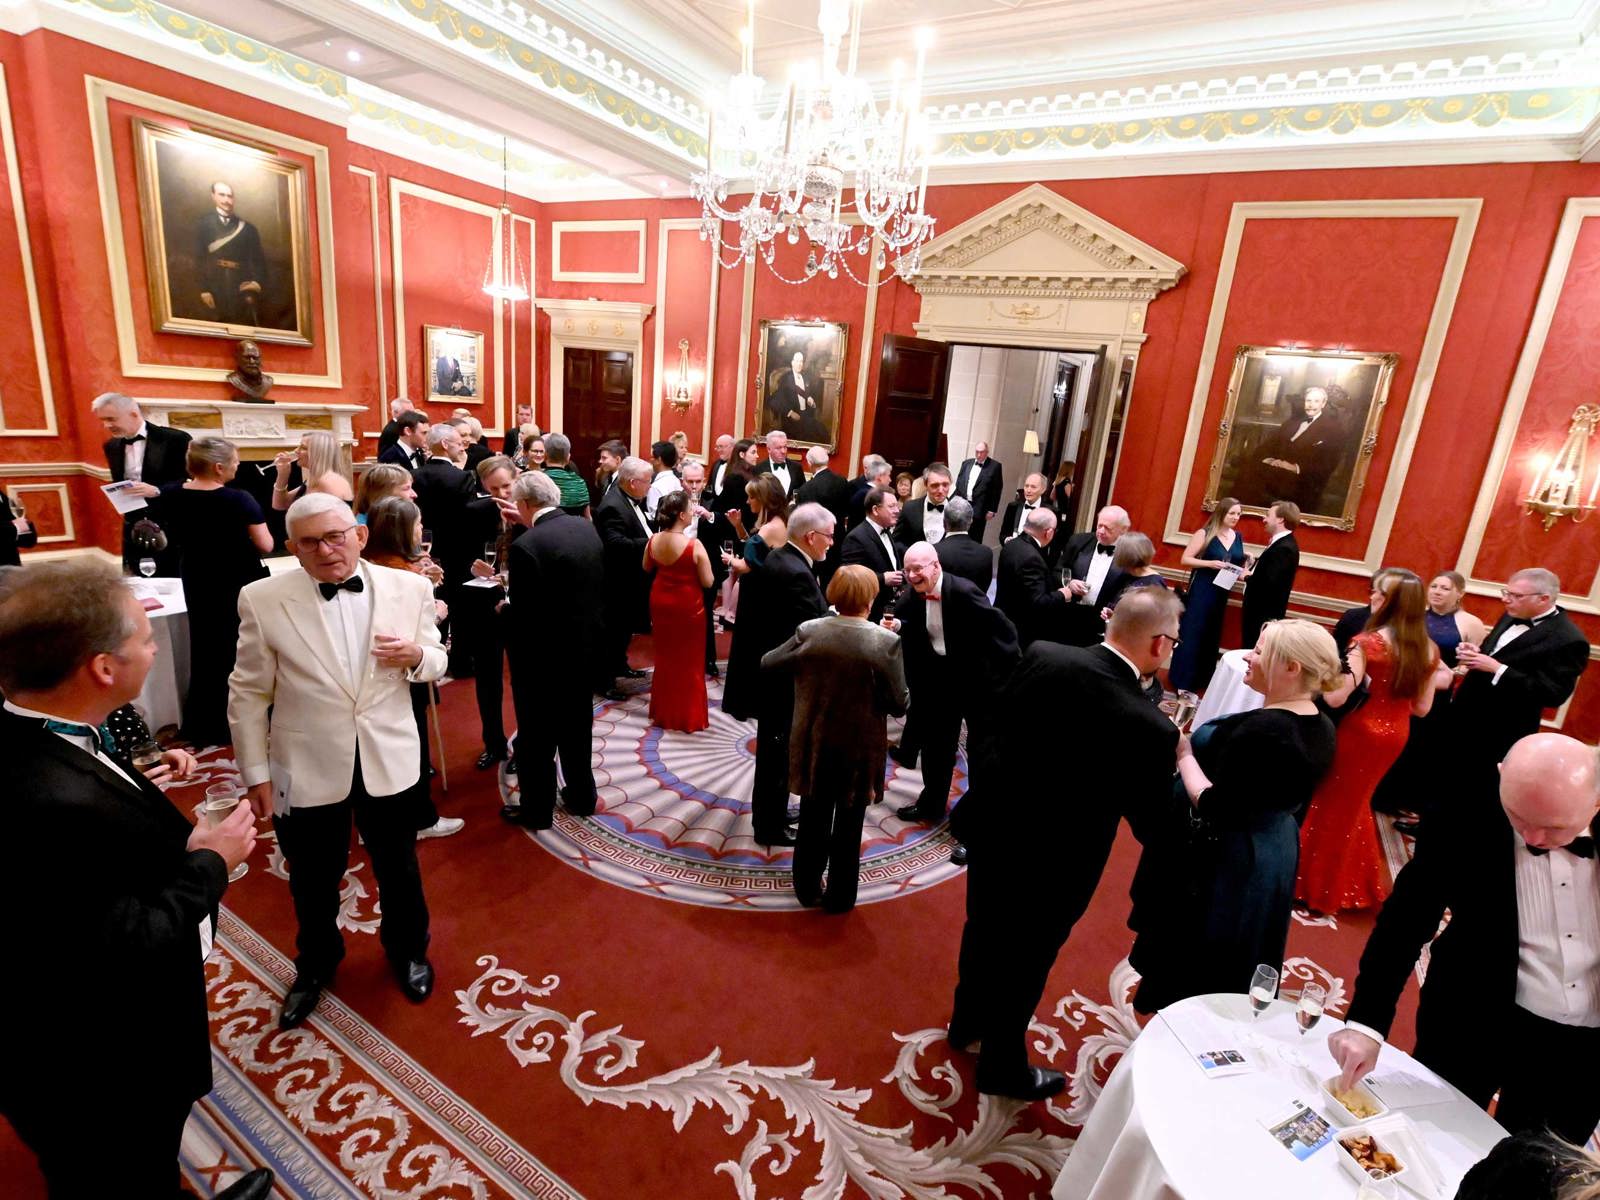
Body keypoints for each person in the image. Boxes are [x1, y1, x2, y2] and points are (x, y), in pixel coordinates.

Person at [0, 561, 270, 1200]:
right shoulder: (44, 800)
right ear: (102, 667)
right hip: (95, 1060)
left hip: (68, 1030)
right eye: (145, 639)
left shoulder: (43, 730)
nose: (154, 648)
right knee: (117, 1170)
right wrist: (214, 859)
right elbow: (128, 940)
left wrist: (131, 793)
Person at [948, 588, 1180, 1100]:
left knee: (983, 929)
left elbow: (989, 728)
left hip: (995, 829)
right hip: (1060, 863)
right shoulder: (1152, 726)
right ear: (1160, 645)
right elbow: (1153, 824)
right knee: (1027, 960)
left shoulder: (1044, 654)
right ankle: (1001, 1068)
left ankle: (965, 1023)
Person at [228, 494, 446, 1029]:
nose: (327, 550)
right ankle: (317, 963)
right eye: (311, 541)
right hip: (304, 760)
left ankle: (408, 951)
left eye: (337, 536)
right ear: (292, 548)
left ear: (361, 535)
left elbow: (439, 658)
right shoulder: (262, 598)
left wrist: (418, 657)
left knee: (400, 867)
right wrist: (255, 772)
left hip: (388, 756)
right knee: (311, 875)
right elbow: (248, 693)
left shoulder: (412, 587)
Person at [1329, 732, 1600, 1145]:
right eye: (1518, 817)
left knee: (1540, 1170)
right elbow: (1407, 918)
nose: (1533, 839)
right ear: (1500, 776)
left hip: (1581, 1049)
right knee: (1428, 1142)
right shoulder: (1464, 811)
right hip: (1472, 1015)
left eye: (1554, 828)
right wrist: (1367, 1022)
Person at [1128, 619, 1340, 1012]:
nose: (1247, 657)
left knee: (1196, 961)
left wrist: (1185, 754)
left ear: (1292, 667)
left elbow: (1214, 805)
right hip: (1270, 850)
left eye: (1260, 651)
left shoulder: (1267, 731)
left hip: (1226, 860)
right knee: (1235, 956)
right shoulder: (1321, 724)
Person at [1296, 570, 1445, 912]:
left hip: (1361, 732)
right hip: (1395, 734)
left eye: (1378, 594)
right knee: (1356, 803)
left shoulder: (1368, 643)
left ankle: (1315, 885)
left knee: (1331, 800)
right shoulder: (1428, 649)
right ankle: (1344, 881)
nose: (1373, 599)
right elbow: (1422, 709)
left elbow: (1335, 700)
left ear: (1389, 602)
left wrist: (1330, 673)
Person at [762, 565, 909, 911]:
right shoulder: (883, 641)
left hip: (813, 737)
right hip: (859, 745)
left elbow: (769, 662)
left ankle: (806, 887)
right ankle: (841, 897)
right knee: (849, 822)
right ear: (871, 598)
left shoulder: (810, 631)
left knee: (813, 814)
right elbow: (899, 704)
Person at [886, 543, 1019, 843]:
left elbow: (1005, 633)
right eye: (907, 570)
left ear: (936, 566)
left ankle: (977, 829)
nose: (911, 575)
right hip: (941, 683)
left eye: (917, 569)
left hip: (979, 683)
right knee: (936, 748)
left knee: (981, 755)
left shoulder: (965, 592)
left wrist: (1007, 682)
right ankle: (931, 805)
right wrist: (896, 627)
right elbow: (904, 622)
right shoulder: (912, 596)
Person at [153, 436, 272, 747]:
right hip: (236, 577)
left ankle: (204, 721)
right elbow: (266, 544)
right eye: (234, 461)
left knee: (205, 647)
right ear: (219, 467)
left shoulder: (169, 495)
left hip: (196, 574)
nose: (237, 465)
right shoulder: (239, 499)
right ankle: (244, 717)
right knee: (239, 647)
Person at [503, 470, 604, 828]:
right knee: (578, 730)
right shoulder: (585, 528)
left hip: (541, 661)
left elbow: (525, 615)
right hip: (583, 651)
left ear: (526, 504)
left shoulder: (526, 546)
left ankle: (537, 810)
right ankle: (582, 797)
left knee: (536, 740)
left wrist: (505, 609)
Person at [1440, 567, 1590, 804]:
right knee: (1449, 775)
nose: (1505, 599)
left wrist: (1497, 669)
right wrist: (1475, 652)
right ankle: (1433, 828)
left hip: (1502, 726)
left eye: (1516, 595)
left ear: (1544, 599)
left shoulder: (1569, 639)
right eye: (1506, 592)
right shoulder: (1510, 614)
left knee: (1480, 790)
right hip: (1467, 711)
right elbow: (1498, 653)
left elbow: (1553, 694)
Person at [361, 496, 462, 841]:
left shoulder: (368, 561)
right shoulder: (399, 572)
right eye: (418, 523)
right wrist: (436, 612)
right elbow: (410, 635)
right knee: (411, 743)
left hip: (376, 673)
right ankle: (419, 818)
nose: (421, 528)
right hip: (402, 671)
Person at [748, 503, 834, 846]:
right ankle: (769, 825)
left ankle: (774, 813)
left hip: (776, 676)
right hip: (785, 682)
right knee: (777, 753)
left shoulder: (783, 558)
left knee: (778, 753)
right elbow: (803, 633)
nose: (831, 543)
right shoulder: (796, 571)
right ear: (811, 537)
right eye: (828, 536)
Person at [1378, 570, 1490, 829]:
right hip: (1405, 686)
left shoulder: (1470, 623)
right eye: (1435, 586)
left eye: (1445, 588)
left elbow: (1473, 662)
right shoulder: (1414, 615)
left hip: (1440, 693)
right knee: (1397, 738)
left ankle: (1409, 798)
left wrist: (1456, 671)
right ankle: (1385, 794)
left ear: (1459, 593)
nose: (1437, 591)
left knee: (1423, 745)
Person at [461, 456, 522, 769]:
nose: (502, 494)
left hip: (523, 607)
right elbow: (459, 557)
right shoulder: (474, 512)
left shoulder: (530, 510)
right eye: (494, 488)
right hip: (486, 606)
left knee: (525, 682)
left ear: (517, 478)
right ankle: (494, 745)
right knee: (488, 681)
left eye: (507, 486)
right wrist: (474, 565)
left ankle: (526, 747)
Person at [94, 391, 192, 573]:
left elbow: (191, 482)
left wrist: (157, 490)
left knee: (173, 577)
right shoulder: (111, 446)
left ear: (133, 414)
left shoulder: (176, 439)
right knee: (137, 577)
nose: (107, 425)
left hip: (171, 521)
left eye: (111, 419)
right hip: (134, 522)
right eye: (103, 420)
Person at [720, 474, 792, 720]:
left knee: (749, 649)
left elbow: (748, 565)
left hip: (757, 598)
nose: (748, 501)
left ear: (763, 499)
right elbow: (757, 549)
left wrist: (730, 560)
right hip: (770, 595)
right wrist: (738, 526)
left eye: (752, 497)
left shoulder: (770, 528)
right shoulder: (783, 521)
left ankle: (744, 703)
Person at [644, 490, 714, 733]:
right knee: (690, 661)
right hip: (687, 606)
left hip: (660, 600)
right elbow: (708, 581)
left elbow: (646, 565)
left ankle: (663, 712)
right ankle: (687, 717)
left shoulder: (653, 539)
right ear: (682, 515)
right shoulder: (694, 545)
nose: (694, 510)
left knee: (665, 658)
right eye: (691, 507)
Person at [1167, 498, 1248, 691]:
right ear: (1222, 513)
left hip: (1222, 591)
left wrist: (1246, 561)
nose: (1236, 517)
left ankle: (1203, 681)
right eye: (1232, 513)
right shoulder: (1205, 533)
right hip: (1203, 589)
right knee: (1194, 632)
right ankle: (1183, 680)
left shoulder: (1237, 537)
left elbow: (1235, 560)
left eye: (1238, 514)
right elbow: (1185, 559)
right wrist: (1209, 564)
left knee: (1210, 634)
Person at [594, 456, 655, 696]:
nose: (649, 486)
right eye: (647, 481)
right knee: (613, 632)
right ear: (632, 483)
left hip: (630, 577)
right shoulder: (612, 506)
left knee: (624, 630)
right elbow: (615, 544)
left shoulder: (629, 500)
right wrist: (652, 542)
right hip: (617, 580)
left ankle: (619, 665)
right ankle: (604, 682)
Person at [1236, 385, 1343, 511]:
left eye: (1316, 401)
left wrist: (1294, 467)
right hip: (1275, 468)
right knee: (1249, 471)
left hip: (1302, 479)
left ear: (1323, 404)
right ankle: (1240, 513)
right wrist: (1268, 459)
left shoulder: (1333, 429)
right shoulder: (1292, 422)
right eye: (1308, 401)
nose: (1311, 405)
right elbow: (1268, 444)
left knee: (1255, 476)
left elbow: (1328, 463)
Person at [994, 506, 1071, 648]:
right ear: (1048, 533)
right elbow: (1038, 603)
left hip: (1003, 617)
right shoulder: (1032, 558)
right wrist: (1062, 594)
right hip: (1021, 630)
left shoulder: (1011, 545)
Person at [194, 180, 266, 326]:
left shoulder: (248, 229)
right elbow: (198, 258)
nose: (227, 200)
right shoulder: (202, 224)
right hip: (213, 282)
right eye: (222, 195)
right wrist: (203, 289)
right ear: (213, 196)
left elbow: (259, 261)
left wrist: (256, 283)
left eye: (230, 196)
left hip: (240, 283)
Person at [680, 460, 725, 676]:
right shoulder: (672, 501)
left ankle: (708, 659)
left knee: (706, 612)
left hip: (706, 565)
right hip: (680, 564)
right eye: (690, 482)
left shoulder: (714, 502)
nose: (695, 486)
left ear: (704, 481)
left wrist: (709, 515)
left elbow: (724, 529)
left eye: (698, 481)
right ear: (682, 482)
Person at [1239, 499, 1301, 649]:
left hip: (1262, 616)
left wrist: (1246, 576)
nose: (1264, 519)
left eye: (1268, 515)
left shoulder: (1284, 548)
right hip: (1261, 615)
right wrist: (1254, 566)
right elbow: (1270, 572)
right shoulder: (1281, 544)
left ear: (1280, 519)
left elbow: (1269, 583)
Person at [841, 485, 904, 624]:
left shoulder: (887, 531)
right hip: (869, 615)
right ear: (875, 510)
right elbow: (850, 578)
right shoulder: (856, 537)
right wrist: (883, 578)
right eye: (892, 506)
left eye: (897, 506)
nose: (897, 510)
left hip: (889, 612)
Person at [795, 444, 853, 589]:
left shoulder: (806, 489)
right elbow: (847, 510)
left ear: (809, 463)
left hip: (815, 542)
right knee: (833, 581)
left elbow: (803, 521)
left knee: (813, 581)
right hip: (838, 539)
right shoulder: (842, 482)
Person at [271, 430, 354, 511]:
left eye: (303, 447)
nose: (296, 450)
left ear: (319, 453)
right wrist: (282, 475)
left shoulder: (330, 484)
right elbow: (280, 504)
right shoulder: (313, 480)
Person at [935, 496, 994, 592]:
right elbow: (983, 590)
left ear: (944, 522)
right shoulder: (986, 553)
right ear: (970, 522)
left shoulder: (935, 551)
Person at [768, 350, 828, 442]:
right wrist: (790, 413)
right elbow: (775, 400)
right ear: (792, 363)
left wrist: (810, 400)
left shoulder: (806, 378)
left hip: (806, 416)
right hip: (792, 420)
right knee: (813, 434)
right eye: (797, 361)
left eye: (801, 361)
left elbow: (810, 395)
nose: (799, 364)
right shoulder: (786, 379)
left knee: (822, 430)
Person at [952, 442, 1004, 543]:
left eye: (982, 452)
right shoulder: (966, 463)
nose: (979, 455)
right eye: (977, 452)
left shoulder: (995, 466)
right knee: (959, 533)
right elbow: (959, 482)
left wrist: (992, 510)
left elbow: (997, 489)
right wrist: (956, 501)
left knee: (975, 537)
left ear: (987, 452)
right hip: (963, 504)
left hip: (980, 507)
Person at [896, 462, 953, 547]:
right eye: (935, 485)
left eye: (945, 485)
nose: (941, 490)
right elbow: (897, 541)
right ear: (925, 484)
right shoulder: (910, 508)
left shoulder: (958, 510)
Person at [542, 433, 592, 518]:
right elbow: (588, 518)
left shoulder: (538, 480)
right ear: (568, 458)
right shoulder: (580, 483)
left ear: (545, 455)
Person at [997, 472, 1054, 543]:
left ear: (1043, 489)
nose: (1028, 490)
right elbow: (1003, 535)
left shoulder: (1050, 512)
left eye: (1033, 487)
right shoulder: (1013, 507)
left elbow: (1053, 544)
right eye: (1026, 486)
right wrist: (1007, 540)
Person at [753, 430, 796, 496]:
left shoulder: (796, 468)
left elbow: (802, 494)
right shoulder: (758, 469)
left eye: (785, 447)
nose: (783, 451)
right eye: (779, 448)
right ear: (768, 449)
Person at [0, 486, 36, 566]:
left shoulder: (4, 499)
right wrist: (17, 526)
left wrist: (19, 525)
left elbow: (28, 539)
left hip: (11, 568)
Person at [646, 439, 682, 515]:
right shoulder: (676, 481)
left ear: (659, 460)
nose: (650, 460)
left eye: (652, 457)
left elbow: (654, 517)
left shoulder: (655, 487)